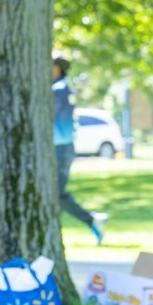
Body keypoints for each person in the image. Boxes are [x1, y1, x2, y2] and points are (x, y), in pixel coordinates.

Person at [53, 56, 107, 245]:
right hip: (61, 146)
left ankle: (92, 220)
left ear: (57, 68)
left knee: (56, 192)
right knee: (55, 192)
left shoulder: (58, 90)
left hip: (61, 146)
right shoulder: (63, 88)